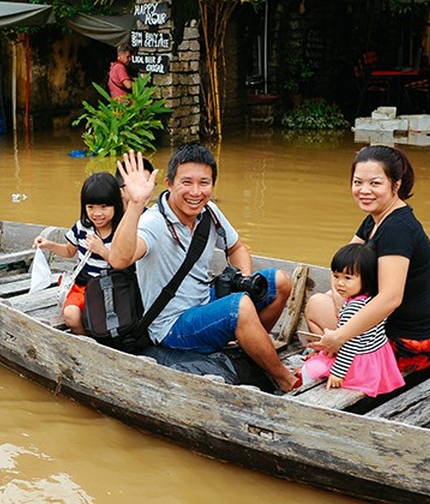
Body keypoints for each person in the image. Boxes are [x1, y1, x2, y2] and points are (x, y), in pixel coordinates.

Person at [110, 146, 298, 392]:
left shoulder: (208, 212)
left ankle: (250, 349)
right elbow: (118, 259)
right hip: (171, 324)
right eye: (186, 182)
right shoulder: (153, 223)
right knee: (239, 307)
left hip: (203, 301)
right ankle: (285, 379)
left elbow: (237, 247)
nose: (196, 192)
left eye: (204, 183)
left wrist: (245, 279)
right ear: (169, 183)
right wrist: (135, 204)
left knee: (279, 281)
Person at [306, 145, 430, 375]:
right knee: (327, 298)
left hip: (412, 344)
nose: (364, 190)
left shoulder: (397, 229)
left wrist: (340, 335)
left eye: (375, 183)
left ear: (396, 185)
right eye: (357, 182)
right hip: (412, 330)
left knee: (316, 307)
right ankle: (341, 358)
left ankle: (344, 364)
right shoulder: (375, 218)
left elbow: (390, 299)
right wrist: (340, 300)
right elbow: (343, 267)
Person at [300, 243, 404, 396]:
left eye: (348, 278)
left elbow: (350, 344)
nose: (339, 283)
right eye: (336, 276)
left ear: (366, 278)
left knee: (309, 369)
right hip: (375, 358)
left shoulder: (353, 309)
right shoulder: (374, 300)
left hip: (358, 363)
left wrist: (338, 373)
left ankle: (305, 395)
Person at [33, 172, 123, 334]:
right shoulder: (82, 227)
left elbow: (125, 262)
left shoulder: (122, 231)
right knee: (71, 315)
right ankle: (85, 340)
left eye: (104, 207)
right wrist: (49, 245)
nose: (97, 213)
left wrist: (101, 250)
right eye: (91, 207)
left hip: (112, 286)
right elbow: (69, 251)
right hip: (83, 285)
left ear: (116, 205)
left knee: (105, 319)